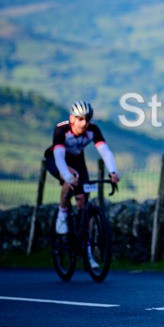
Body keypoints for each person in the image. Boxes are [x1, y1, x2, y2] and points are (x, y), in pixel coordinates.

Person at [45, 101, 121, 268]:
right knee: (72, 177)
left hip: (77, 159)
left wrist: (113, 172)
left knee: (83, 201)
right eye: (79, 119)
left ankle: (87, 252)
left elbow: (105, 152)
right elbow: (58, 156)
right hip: (56, 159)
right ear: (72, 118)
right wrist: (67, 176)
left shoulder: (93, 130)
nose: (84, 123)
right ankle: (62, 215)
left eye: (86, 119)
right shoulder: (61, 130)